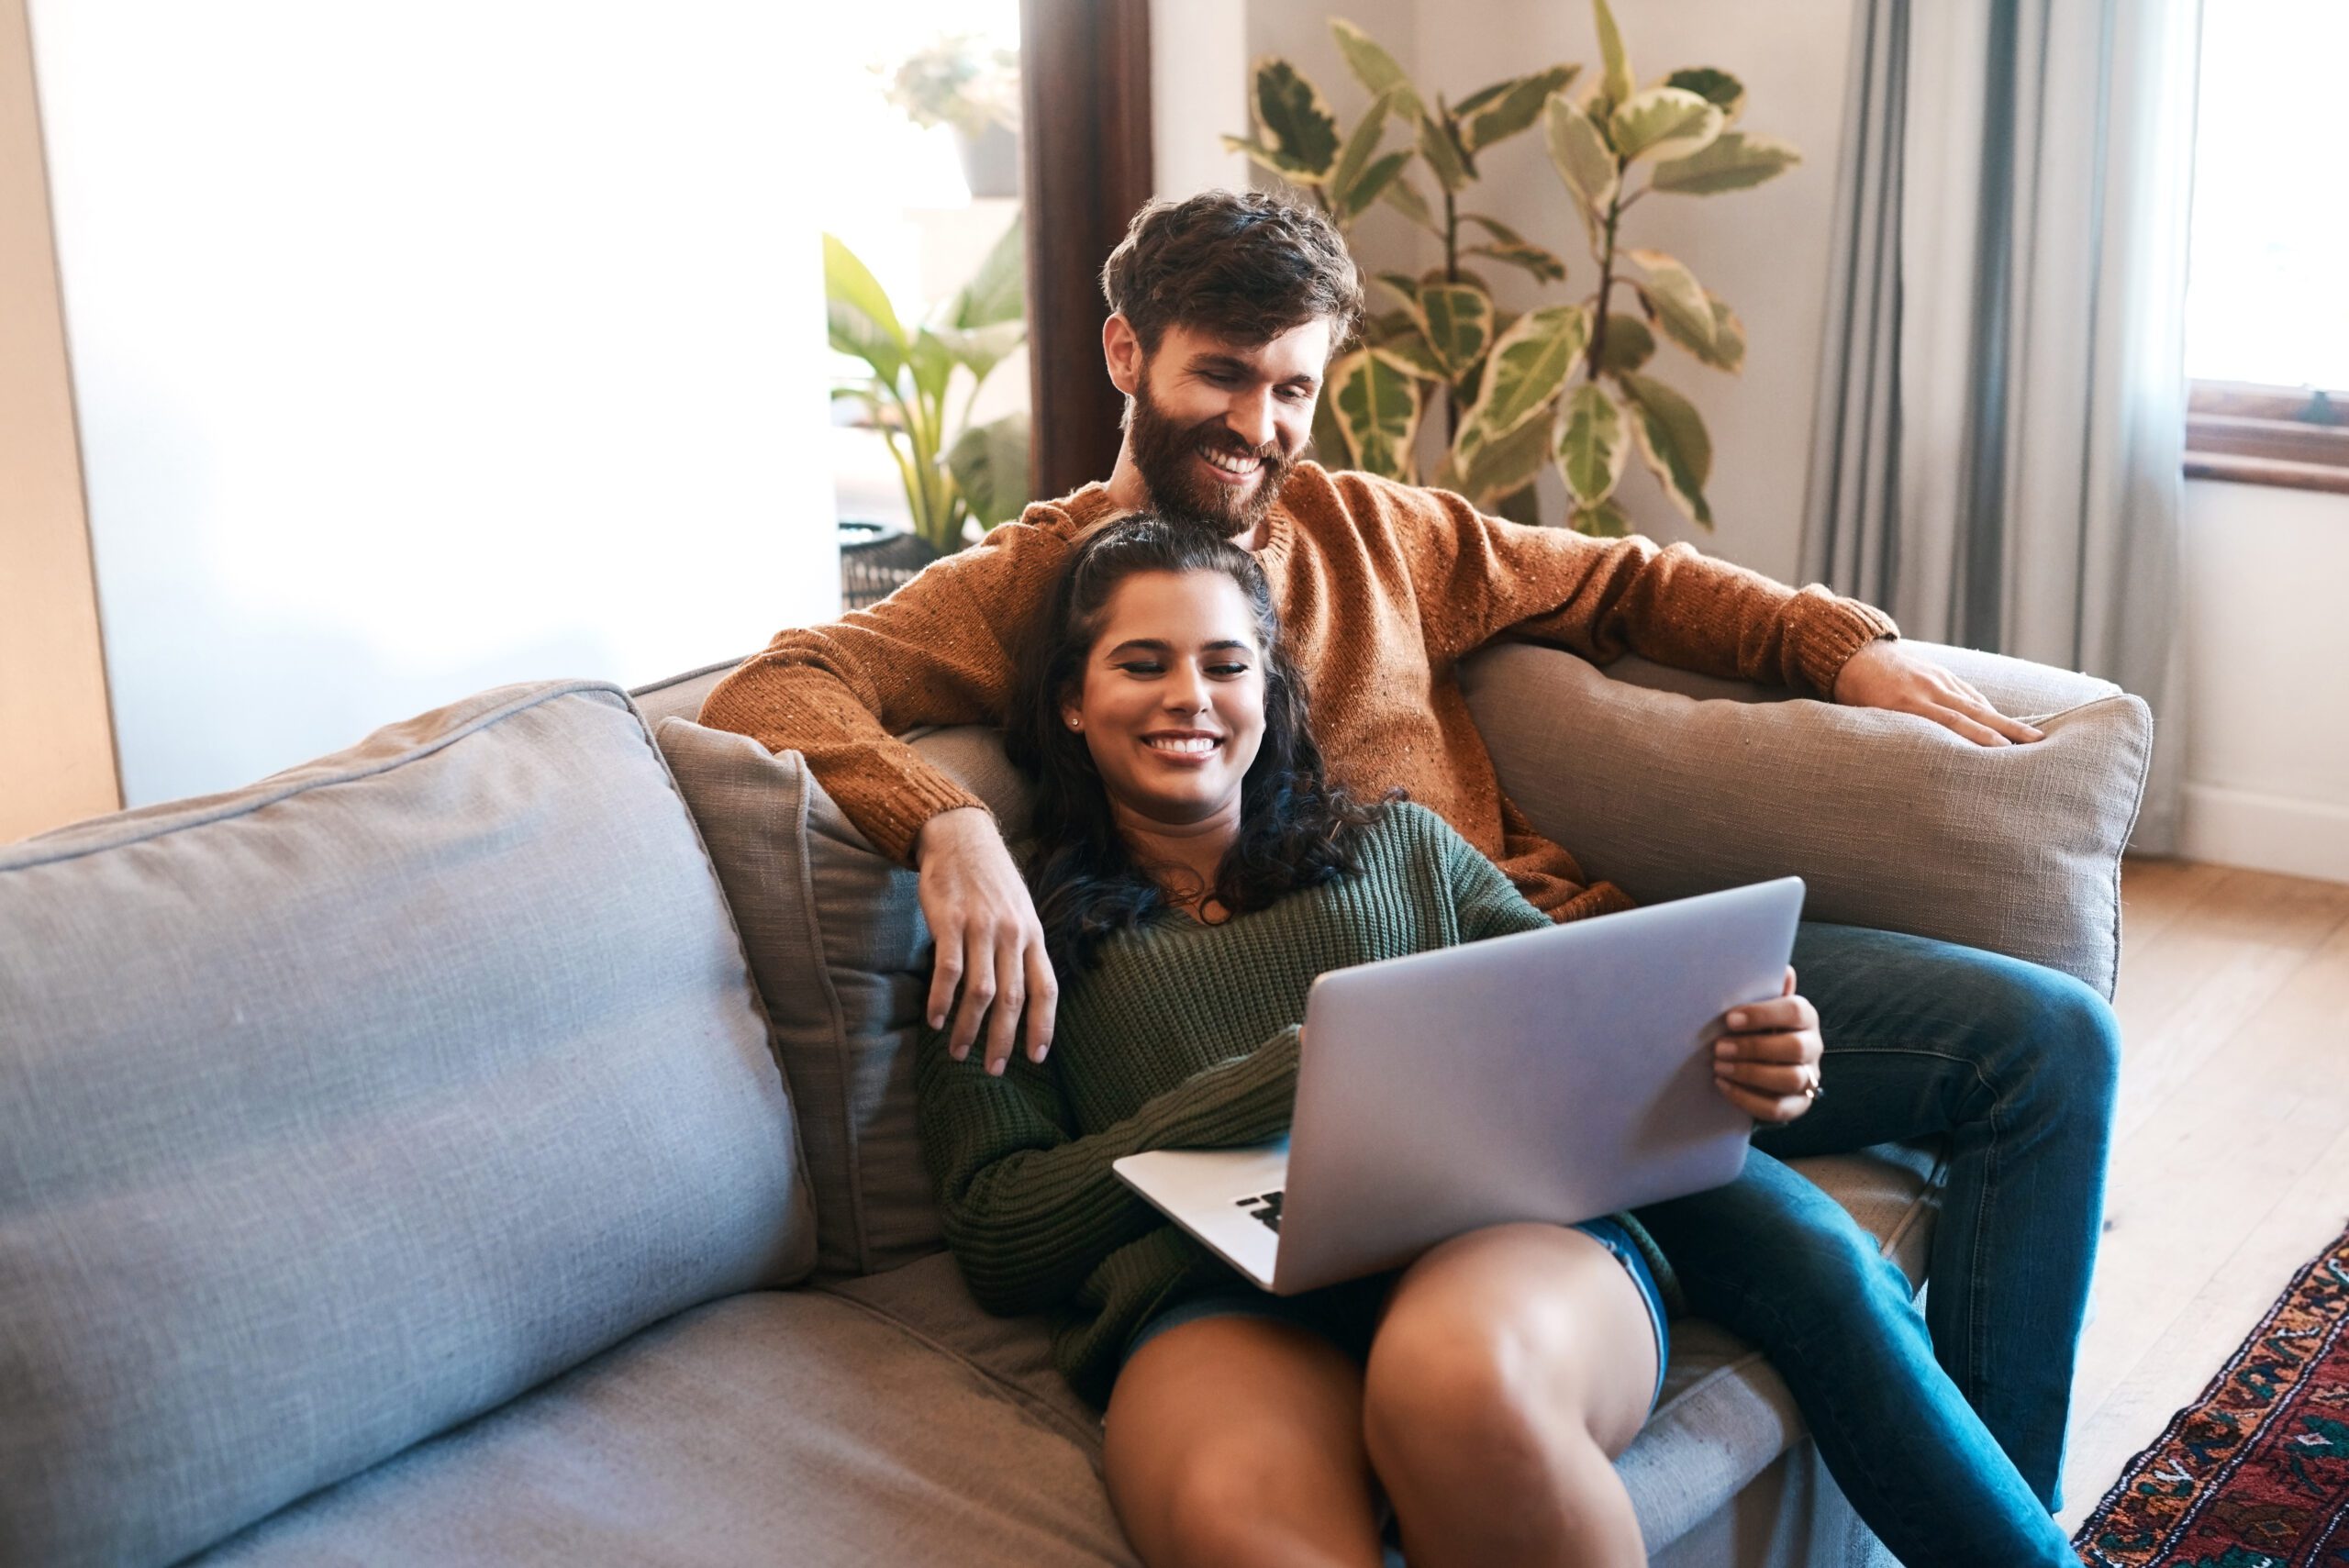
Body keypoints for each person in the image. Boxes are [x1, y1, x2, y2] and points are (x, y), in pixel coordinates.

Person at [700, 187, 2120, 1518]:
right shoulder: (1040, 586)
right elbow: (777, 687)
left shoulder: (1378, 528)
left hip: (1576, 976)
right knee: (1806, 1259)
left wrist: (1835, 651)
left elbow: (1621, 580)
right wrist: (945, 820)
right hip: (1416, 1105)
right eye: (1223, 373)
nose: (1257, 422)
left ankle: (2030, 1515)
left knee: (2046, 1039)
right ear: (1127, 351)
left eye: (1293, 387)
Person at [913, 514, 2081, 1567]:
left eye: (1226, 664)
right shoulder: (1013, 932)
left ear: (1269, 690)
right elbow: (1002, 1233)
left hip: (1495, 1241)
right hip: (1213, 1300)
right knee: (1249, 1535)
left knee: (1465, 1393)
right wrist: (1284, 1075)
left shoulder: (1399, 849)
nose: (1191, 696)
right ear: (1070, 696)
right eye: (1142, 663)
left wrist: (1752, 1070)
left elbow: (1590, 1037)